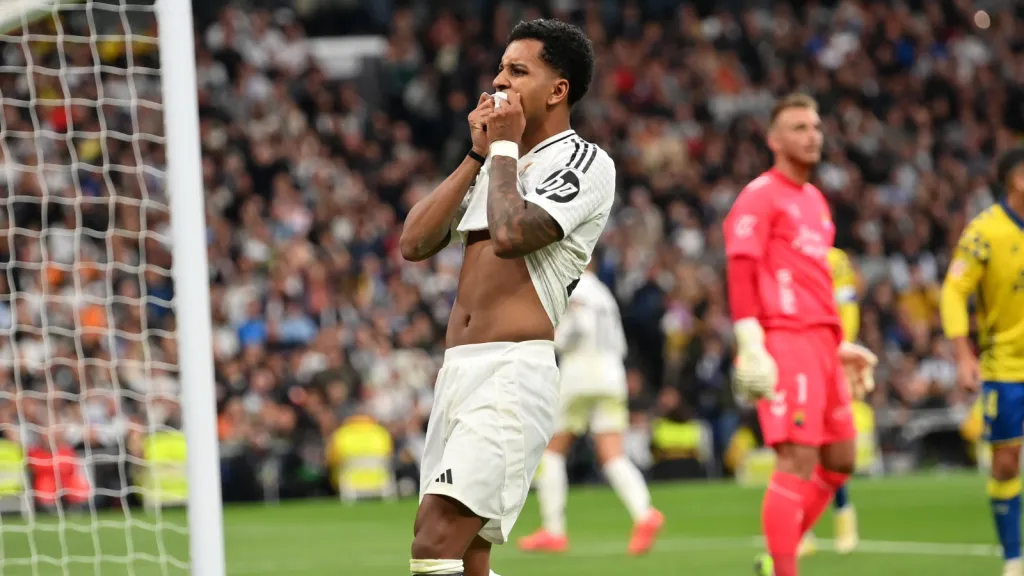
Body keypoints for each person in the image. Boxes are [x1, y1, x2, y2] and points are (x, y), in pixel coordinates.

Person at [399, 19, 613, 576]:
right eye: (499, 69)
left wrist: (501, 152)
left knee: (435, 543)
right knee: (468, 559)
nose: (499, 83)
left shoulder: (584, 162)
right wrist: (477, 155)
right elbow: (413, 242)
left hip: (513, 371)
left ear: (558, 90)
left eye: (517, 71)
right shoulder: (494, 164)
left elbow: (515, 235)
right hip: (458, 373)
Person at [721, 93, 877, 576]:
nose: (811, 135)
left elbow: (815, 280)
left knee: (841, 458)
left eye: (815, 126)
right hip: (784, 339)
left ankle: (776, 558)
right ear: (773, 139)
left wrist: (840, 342)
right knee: (796, 459)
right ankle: (785, 568)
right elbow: (741, 270)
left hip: (823, 342)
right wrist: (751, 343)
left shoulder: (815, 202)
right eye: (798, 127)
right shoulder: (760, 195)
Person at [517, 262, 664, 556]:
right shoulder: (603, 292)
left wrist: (554, 339)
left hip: (581, 372)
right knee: (612, 454)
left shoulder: (576, 288)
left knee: (553, 450)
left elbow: (579, 326)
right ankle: (645, 513)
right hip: (612, 373)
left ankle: (553, 530)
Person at [941, 147, 1024, 576]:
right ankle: (1014, 557)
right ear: (1017, 179)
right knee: (1006, 462)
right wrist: (962, 353)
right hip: (1007, 367)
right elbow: (954, 291)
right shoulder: (984, 232)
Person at [798, 247, 861, 556]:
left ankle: (843, 514)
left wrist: (842, 345)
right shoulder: (785, 256)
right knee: (800, 444)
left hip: (829, 359)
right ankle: (803, 528)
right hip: (797, 359)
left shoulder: (836, 259)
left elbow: (848, 304)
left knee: (831, 444)